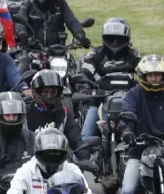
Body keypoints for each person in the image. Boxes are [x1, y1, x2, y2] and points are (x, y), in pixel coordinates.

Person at [78, 18, 140, 149]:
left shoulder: (133, 55)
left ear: (126, 38)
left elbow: (144, 72)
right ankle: (83, 162)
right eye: (111, 38)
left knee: (144, 133)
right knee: (85, 137)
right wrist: (85, 84)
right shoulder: (96, 53)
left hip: (129, 102)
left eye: (119, 38)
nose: (115, 42)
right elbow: (85, 71)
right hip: (99, 102)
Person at [117, 55, 164, 194]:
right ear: (143, 76)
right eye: (150, 75)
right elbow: (127, 114)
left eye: (157, 75)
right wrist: (127, 131)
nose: (154, 79)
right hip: (138, 151)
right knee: (128, 190)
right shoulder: (133, 94)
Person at [14, 0, 90, 49]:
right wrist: (22, 33)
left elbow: (72, 21)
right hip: (32, 49)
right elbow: (20, 21)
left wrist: (80, 35)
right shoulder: (28, 4)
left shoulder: (61, 3)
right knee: (20, 57)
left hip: (58, 50)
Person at [8, 129, 83, 194]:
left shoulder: (72, 170)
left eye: (56, 152)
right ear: (39, 153)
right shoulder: (26, 171)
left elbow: (86, 191)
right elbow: (14, 191)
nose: (52, 155)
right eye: (48, 152)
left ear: (63, 153)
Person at [26, 70, 80, 149]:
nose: (50, 96)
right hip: (33, 155)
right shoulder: (26, 113)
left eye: (53, 92)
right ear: (37, 92)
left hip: (58, 155)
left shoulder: (64, 113)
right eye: (45, 92)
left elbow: (75, 139)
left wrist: (84, 155)